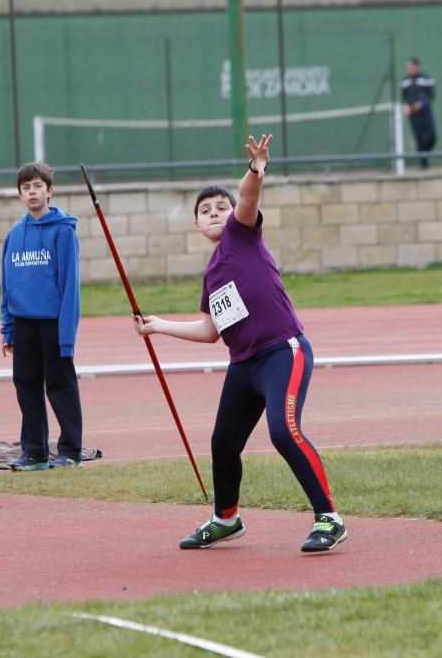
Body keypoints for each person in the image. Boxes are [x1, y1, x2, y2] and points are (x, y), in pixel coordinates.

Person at [133, 135, 346, 553]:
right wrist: (159, 325)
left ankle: (329, 518)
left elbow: (248, 198)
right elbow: (211, 330)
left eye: (221, 207)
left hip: (283, 351)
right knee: (223, 442)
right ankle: (225, 519)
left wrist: (255, 171)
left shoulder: (240, 234)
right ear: (195, 224)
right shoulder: (212, 274)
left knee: (283, 432)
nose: (215, 213)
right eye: (205, 211)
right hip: (243, 364)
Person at [0, 162, 83, 471]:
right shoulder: (14, 234)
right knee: (26, 384)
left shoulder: (63, 232)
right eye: (26, 188)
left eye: (37, 186)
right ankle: (34, 451)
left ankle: (70, 450)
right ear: (20, 194)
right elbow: (6, 285)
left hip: (53, 323)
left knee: (60, 385)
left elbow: (70, 286)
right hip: (23, 323)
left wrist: (66, 335)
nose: (32, 192)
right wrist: (7, 329)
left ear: (50, 190)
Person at [401, 57, 437, 169]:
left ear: (417, 67)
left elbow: (431, 95)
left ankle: (425, 155)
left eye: (411, 67)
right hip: (413, 116)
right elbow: (404, 97)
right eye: (407, 67)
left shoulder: (426, 78)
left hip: (426, 113)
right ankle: (423, 163)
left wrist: (421, 104)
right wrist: (405, 106)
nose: (409, 69)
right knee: (419, 137)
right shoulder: (405, 81)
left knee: (432, 136)